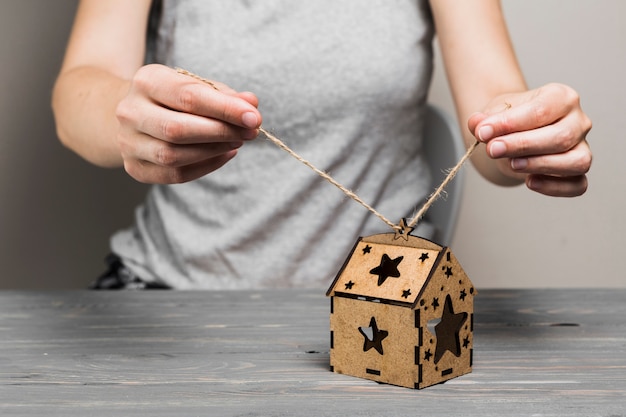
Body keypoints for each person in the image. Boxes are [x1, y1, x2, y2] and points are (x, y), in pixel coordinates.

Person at [52, 0, 592, 290]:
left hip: (384, 301)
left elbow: (493, 117)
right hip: (166, 293)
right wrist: (128, 112)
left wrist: (527, 132)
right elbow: (79, 92)